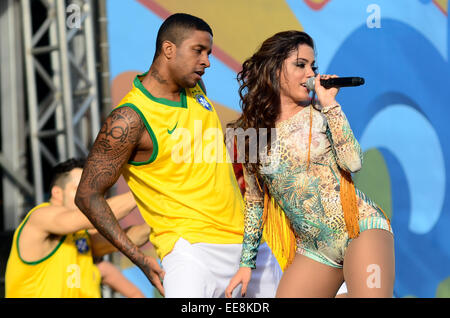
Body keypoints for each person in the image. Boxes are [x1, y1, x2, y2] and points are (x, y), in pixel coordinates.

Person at [74, 13, 281, 298]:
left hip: (248, 246)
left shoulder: (197, 90)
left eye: (208, 52)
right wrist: (137, 256)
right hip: (190, 252)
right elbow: (87, 195)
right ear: (168, 49)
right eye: (199, 50)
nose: (207, 60)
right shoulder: (128, 119)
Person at [225, 30, 395, 298]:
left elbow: (353, 163)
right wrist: (246, 264)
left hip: (360, 229)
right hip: (314, 250)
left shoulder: (322, 115)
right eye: (300, 65)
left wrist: (330, 104)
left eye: (313, 66)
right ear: (274, 71)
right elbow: (255, 203)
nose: (310, 74)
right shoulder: (252, 136)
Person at [5, 158, 148, 298]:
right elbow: (96, 215)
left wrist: (163, 220)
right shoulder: (40, 216)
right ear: (57, 193)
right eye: (79, 189)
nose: (87, 197)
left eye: (92, 191)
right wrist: (149, 190)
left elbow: (124, 239)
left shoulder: (81, 237)